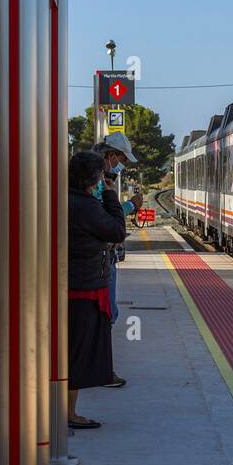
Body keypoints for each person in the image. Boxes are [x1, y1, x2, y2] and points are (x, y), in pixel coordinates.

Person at [66, 149, 128, 428]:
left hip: (72, 285)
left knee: (71, 351)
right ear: (93, 177)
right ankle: (69, 414)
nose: (104, 179)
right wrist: (111, 196)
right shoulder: (85, 205)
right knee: (78, 353)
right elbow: (116, 230)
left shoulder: (66, 199)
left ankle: (63, 411)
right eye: (102, 175)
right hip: (84, 288)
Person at [92, 133, 143, 388]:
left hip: (104, 255)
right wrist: (131, 206)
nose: (121, 165)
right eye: (121, 159)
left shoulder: (100, 179)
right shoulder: (97, 181)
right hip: (100, 258)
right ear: (111, 155)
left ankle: (99, 368)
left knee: (108, 312)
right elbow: (102, 216)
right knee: (107, 313)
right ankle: (100, 370)